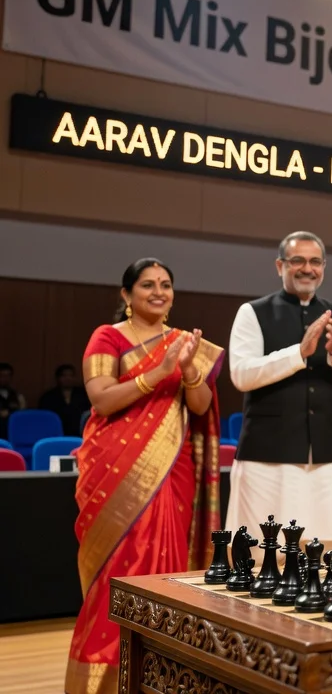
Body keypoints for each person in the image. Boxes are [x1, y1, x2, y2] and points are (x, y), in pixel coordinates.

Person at [66, 258, 223, 694]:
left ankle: (164, 671)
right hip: (113, 468)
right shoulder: (108, 336)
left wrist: (190, 369)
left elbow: (199, 406)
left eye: (166, 284)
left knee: (167, 569)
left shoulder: (184, 342)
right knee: (116, 572)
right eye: (148, 284)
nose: (159, 291)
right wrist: (158, 372)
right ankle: (106, 677)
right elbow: (101, 399)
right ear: (126, 294)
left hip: (172, 470)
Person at [226, 231, 332, 550]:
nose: (307, 268)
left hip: (326, 461)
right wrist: (298, 353)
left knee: (323, 561)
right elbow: (241, 374)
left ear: (324, 267)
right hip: (267, 461)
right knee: (262, 559)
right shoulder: (252, 312)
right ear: (280, 265)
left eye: (315, 261)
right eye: (298, 261)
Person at [40, 364, 92, 436]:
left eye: (71, 376)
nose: (68, 378)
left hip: (80, 433)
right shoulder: (48, 397)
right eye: (64, 376)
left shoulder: (84, 394)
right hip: (55, 434)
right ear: (57, 378)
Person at [0, 362, 25, 439]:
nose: (5, 379)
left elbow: (21, 411)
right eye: (2, 376)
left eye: (8, 376)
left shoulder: (17, 395)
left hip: (12, 432)